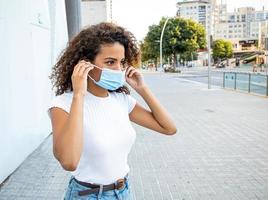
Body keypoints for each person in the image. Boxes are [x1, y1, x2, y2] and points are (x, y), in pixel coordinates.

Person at [47, 22, 177, 200]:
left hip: (123, 191)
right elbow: (69, 162)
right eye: (110, 62)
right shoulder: (62, 105)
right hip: (88, 195)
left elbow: (169, 128)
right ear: (85, 65)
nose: (119, 69)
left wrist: (143, 89)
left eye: (122, 62)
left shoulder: (121, 100)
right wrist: (79, 94)